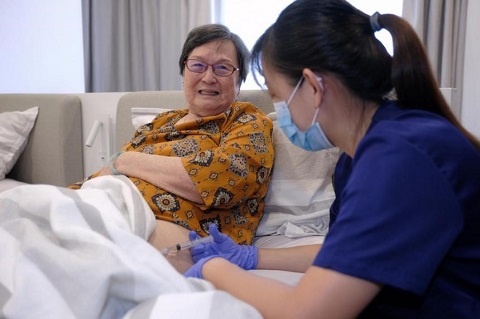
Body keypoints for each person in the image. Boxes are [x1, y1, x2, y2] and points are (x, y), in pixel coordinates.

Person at [184, 0, 480, 318]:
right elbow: (348, 252)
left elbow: (307, 313)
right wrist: (252, 256)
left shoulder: (403, 159)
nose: (280, 114)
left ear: (313, 87)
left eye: (278, 98)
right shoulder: (357, 158)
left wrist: (214, 269)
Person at [70, 24, 275, 273]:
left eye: (222, 68)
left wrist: (125, 161)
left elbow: (225, 178)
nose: (208, 77)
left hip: (171, 233)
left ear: (238, 81)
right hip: (105, 204)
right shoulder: (158, 124)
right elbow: (104, 175)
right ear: (183, 73)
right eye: (198, 65)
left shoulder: (246, 120)